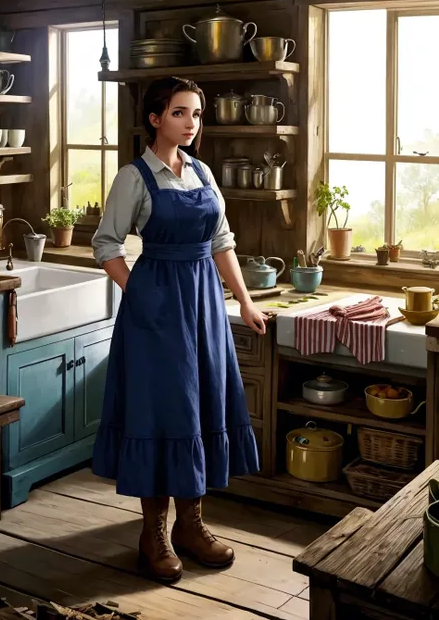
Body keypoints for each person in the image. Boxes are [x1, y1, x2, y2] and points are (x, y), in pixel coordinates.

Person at [92, 76, 268, 584]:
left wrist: (245, 300)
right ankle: (155, 534)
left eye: (195, 114)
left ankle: (192, 525)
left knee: (201, 406)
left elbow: (222, 242)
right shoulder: (133, 177)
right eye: (179, 113)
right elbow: (106, 245)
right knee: (162, 411)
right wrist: (140, 292)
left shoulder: (203, 172)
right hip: (155, 314)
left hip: (204, 307)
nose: (190, 123)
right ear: (155, 118)